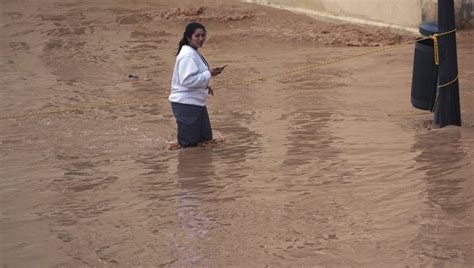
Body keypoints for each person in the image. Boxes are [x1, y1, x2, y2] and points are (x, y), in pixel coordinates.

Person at [169, 22, 227, 148]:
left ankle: (202, 165)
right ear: (189, 37)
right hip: (186, 105)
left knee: (206, 140)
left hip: (196, 104)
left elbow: (192, 79)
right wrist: (209, 74)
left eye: (203, 36)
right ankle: (190, 166)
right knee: (189, 146)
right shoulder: (188, 55)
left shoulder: (193, 52)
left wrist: (205, 87)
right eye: (197, 36)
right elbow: (187, 81)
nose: (201, 39)